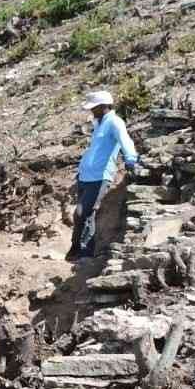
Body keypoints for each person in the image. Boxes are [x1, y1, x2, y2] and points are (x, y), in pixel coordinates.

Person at [71, 90, 139, 261]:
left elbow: (125, 141)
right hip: (86, 175)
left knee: (87, 214)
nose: (91, 111)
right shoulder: (98, 124)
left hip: (100, 176)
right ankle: (76, 249)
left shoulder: (115, 122)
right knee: (79, 214)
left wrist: (131, 159)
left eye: (94, 108)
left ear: (104, 106)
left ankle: (85, 252)